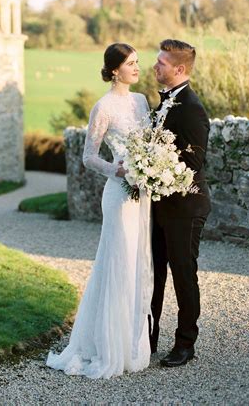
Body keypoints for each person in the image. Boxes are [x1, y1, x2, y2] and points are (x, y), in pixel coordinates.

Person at [46, 43, 153, 379]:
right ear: (114, 69)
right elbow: (88, 157)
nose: (137, 68)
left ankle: (133, 343)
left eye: (138, 62)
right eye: (130, 64)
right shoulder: (102, 107)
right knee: (117, 261)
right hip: (119, 193)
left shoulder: (141, 101)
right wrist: (118, 170)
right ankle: (107, 346)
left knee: (138, 260)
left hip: (144, 191)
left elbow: (150, 143)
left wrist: (152, 165)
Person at [150, 39, 211, 367]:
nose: (155, 66)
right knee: (154, 272)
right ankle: (148, 337)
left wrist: (156, 172)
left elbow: (194, 162)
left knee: (183, 274)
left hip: (186, 207)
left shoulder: (192, 107)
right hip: (159, 207)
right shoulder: (162, 104)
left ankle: (185, 344)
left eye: (161, 62)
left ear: (179, 69)